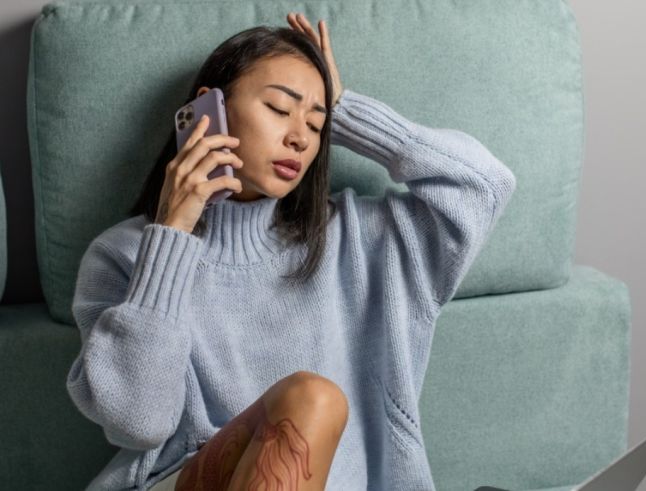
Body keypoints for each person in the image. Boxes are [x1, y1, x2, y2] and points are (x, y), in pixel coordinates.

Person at [67, 11, 516, 491]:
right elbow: (139, 422)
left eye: (318, 124)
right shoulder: (125, 254)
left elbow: (484, 186)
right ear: (208, 112)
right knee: (311, 398)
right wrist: (174, 230)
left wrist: (349, 113)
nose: (300, 137)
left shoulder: (358, 241)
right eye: (280, 109)